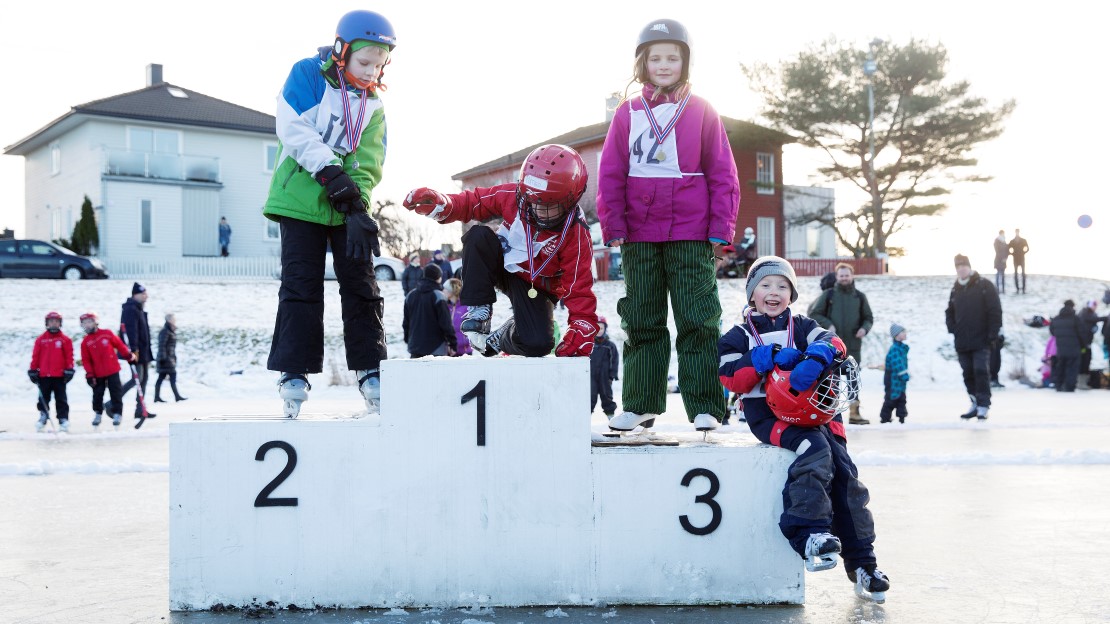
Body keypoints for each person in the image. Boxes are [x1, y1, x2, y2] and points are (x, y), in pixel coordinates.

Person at [596, 18, 740, 433]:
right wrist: (614, 225)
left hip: (691, 233)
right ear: (643, 63)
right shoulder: (628, 113)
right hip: (640, 234)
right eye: (655, 58)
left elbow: (723, 173)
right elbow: (611, 173)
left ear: (685, 62)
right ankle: (641, 403)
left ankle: (706, 406)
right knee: (642, 318)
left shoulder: (701, 111)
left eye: (672, 57)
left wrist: (720, 228)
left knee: (698, 318)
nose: (663, 64)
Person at [718, 256, 889, 602]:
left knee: (846, 477)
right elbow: (727, 373)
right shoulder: (739, 335)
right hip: (770, 418)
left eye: (782, 286)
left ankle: (863, 564)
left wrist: (815, 358)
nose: (774, 292)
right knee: (814, 450)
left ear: (792, 294)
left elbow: (834, 343)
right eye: (765, 285)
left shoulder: (803, 325)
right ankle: (809, 533)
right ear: (752, 293)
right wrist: (764, 358)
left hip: (821, 415)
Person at [261, 10, 394, 418]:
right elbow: (295, 130)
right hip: (300, 199)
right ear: (342, 51)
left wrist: (358, 205)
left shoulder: (372, 105)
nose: (371, 72)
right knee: (301, 285)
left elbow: (369, 161)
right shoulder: (307, 75)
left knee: (362, 283)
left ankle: (371, 369)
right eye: (364, 62)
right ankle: (294, 372)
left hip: (343, 206)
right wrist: (331, 172)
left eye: (378, 64)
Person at [402, 144, 599, 360]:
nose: (540, 211)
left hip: (537, 286)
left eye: (549, 205)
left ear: (571, 200)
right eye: (534, 202)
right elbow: (473, 202)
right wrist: (444, 205)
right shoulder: (514, 196)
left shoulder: (576, 235)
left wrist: (582, 324)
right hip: (502, 264)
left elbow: (579, 288)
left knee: (539, 344)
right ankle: (479, 309)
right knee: (478, 236)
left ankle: (503, 337)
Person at [807, 262, 874, 424]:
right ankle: (830, 414)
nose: (844, 278)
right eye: (841, 275)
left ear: (852, 276)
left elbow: (868, 318)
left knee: (852, 379)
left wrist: (864, 329)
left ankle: (854, 413)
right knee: (832, 379)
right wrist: (828, 324)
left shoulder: (859, 296)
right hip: (833, 347)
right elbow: (814, 313)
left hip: (853, 345)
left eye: (847, 275)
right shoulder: (829, 295)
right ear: (837, 277)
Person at [945, 254, 1002, 419]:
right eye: (958, 266)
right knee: (967, 373)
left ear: (969, 267)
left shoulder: (984, 285)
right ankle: (975, 401)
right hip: (962, 340)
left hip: (982, 339)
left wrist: (992, 333)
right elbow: (950, 311)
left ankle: (984, 405)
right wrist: (952, 328)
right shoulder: (956, 289)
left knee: (981, 371)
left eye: (963, 265)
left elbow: (995, 311)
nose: (961, 269)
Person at [80, 311, 134, 428]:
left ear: (95, 322)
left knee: (116, 393)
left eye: (90, 322)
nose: (88, 325)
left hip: (112, 370)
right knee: (97, 395)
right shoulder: (85, 342)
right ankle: (98, 413)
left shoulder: (107, 334)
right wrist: (89, 374)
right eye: (85, 323)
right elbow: (86, 360)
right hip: (97, 373)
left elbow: (120, 345)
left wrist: (128, 356)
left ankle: (117, 413)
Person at [29, 311, 75, 432]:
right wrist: (33, 370)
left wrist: (69, 369)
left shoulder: (65, 340)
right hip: (44, 375)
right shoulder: (40, 340)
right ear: (47, 323)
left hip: (59, 375)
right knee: (43, 398)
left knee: (61, 398)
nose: (53, 324)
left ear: (60, 323)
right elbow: (36, 356)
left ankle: (63, 418)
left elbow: (69, 356)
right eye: (51, 322)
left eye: (56, 322)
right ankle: (43, 415)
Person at [402, 263, 457, 358]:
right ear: (438, 278)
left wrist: (408, 340)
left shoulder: (410, 295)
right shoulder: (438, 296)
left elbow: (406, 323)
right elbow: (446, 324)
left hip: (415, 348)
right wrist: (453, 343)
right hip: (436, 348)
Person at [120, 282, 156, 420]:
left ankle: (140, 409)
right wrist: (133, 350)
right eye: (143, 294)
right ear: (136, 295)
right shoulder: (131, 309)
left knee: (144, 379)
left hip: (144, 351)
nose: (146, 296)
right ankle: (113, 402)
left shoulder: (139, 308)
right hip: (136, 351)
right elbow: (131, 330)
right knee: (137, 378)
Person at [1050, 300, 1084, 392]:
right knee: (1072, 368)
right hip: (1074, 349)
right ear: (1072, 306)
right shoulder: (1075, 319)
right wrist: (1083, 346)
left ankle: (1058, 386)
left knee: (1060, 367)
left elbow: (1052, 332)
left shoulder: (1056, 319)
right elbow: (1081, 334)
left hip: (1060, 349)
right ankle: (1070, 387)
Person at [879, 323, 910, 424]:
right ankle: (885, 418)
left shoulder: (901, 348)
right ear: (897, 336)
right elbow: (897, 364)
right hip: (892, 379)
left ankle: (902, 417)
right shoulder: (895, 349)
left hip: (899, 380)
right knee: (891, 398)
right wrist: (904, 375)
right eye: (903, 332)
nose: (905, 334)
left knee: (902, 397)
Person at [589, 316, 620, 418]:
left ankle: (611, 419)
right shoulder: (589, 344)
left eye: (601, 328)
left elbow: (614, 361)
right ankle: (585, 421)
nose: (599, 331)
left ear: (605, 329)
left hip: (605, 377)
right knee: (590, 397)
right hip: (591, 377)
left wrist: (612, 375)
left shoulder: (610, 345)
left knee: (607, 397)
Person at [155, 313, 187, 402]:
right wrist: (163, 358)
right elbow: (162, 345)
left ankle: (157, 396)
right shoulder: (165, 331)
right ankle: (176, 396)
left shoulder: (169, 330)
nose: (175, 320)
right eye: (173, 319)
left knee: (162, 377)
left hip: (169, 357)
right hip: (166, 359)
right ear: (169, 320)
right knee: (170, 375)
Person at [1077, 300, 1106, 387]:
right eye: (1094, 305)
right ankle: (1080, 383)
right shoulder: (1085, 313)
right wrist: (1105, 318)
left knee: (1086, 360)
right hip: (1083, 343)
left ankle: (1083, 382)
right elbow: (1094, 319)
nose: (1095, 307)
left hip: (1087, 343)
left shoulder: (1090, 313)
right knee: (1084, 361)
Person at [443, 277, 472, 356]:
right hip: (449, 351)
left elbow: (471, 329)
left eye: (445, 289)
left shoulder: (466, 307)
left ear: (452, 291)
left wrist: (463, 342)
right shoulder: (445, 306)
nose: (443, 291)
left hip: (464, 351)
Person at [1008, 229, 1029, 294]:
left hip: (1022, 258)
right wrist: (1012, 254)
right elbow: (1008, 249)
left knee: (1023, 274)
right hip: (1015, 259)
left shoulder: (1023, 240)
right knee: (1016, 274)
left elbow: (1028, 248)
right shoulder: (1012, 241)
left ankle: (1023, 289)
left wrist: (1023, 253)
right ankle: (1017, 289)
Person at [992, 229, 1008, 293]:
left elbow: (1007, 251)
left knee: (1003, 275)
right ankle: (997, 289)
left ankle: (1003, 289)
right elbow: (997, 251)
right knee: (998, 274)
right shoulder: (997, 241)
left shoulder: (1004, 241)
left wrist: (1005, 258)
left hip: (1004, 261)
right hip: (998, 260)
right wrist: (1002, 258)